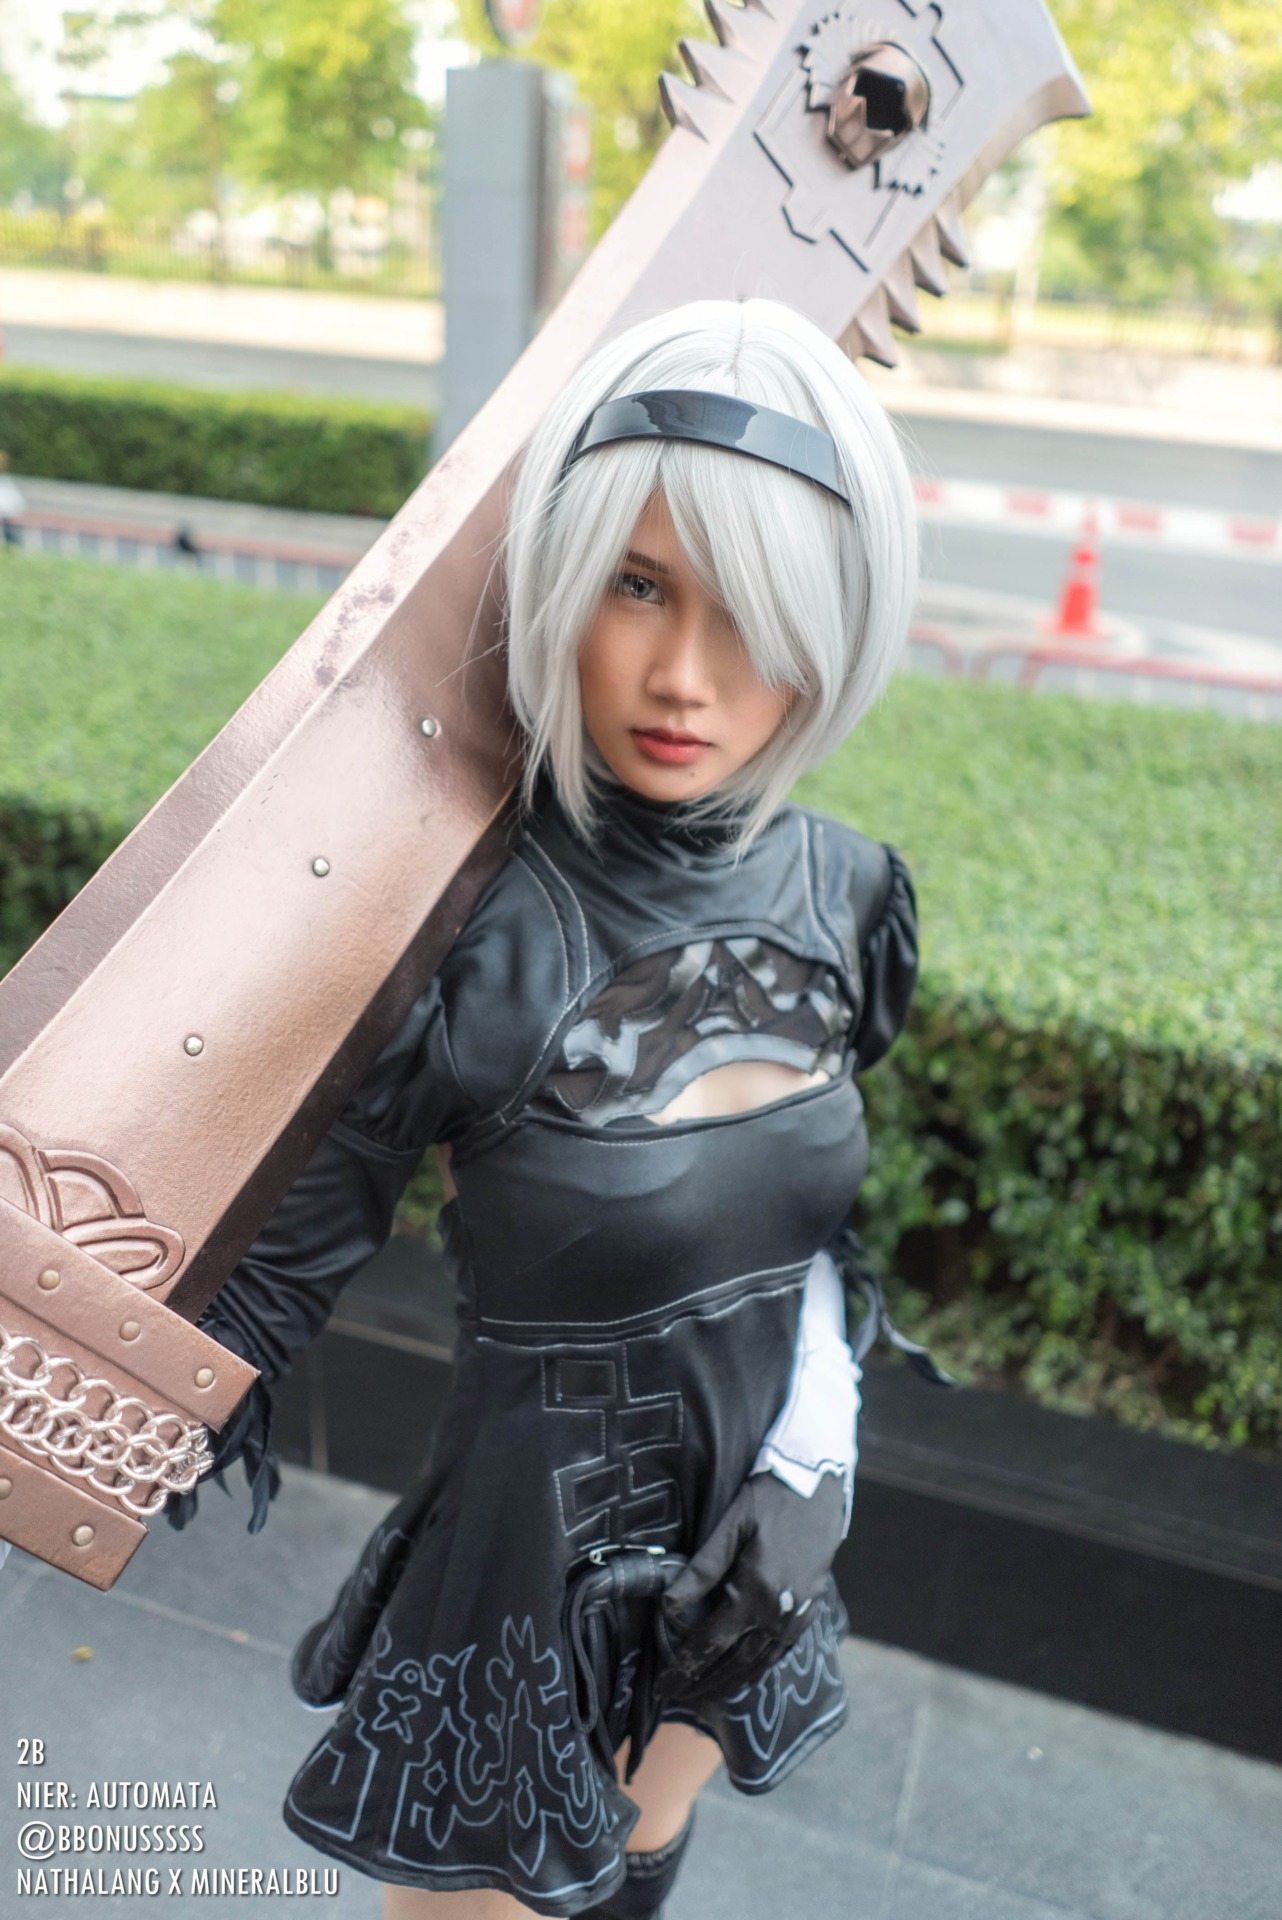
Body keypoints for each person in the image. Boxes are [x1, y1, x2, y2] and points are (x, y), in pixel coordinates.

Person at [172, 296, 920, 1919]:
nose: (682, 675)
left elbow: (808, 1242)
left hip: (754, 1553)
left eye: (754, 610)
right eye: (638, 585)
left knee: (645, 1867)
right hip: (521, 1586)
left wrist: (815, 1470)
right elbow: (267, 1274)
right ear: (566, 579)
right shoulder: (466, 935)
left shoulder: (847, 893)